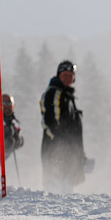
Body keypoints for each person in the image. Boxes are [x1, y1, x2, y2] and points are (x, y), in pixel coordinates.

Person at [40, 60, 87, 192]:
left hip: (68, 152)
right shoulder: (54, 93)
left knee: (66, 191)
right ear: (58, 76)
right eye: (64, 75)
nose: (67, 78)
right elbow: (48, 120)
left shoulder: (67, 96)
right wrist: (60, 143)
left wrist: (79, 153)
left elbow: (74, 130)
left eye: (70, 75)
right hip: (55, 150)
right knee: (56, 191)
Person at [0, 94, 24, 171]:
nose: (7, 107)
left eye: (9, 104)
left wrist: (18, 141)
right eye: (4, 104)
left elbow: (18, 135)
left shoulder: (13, 121)